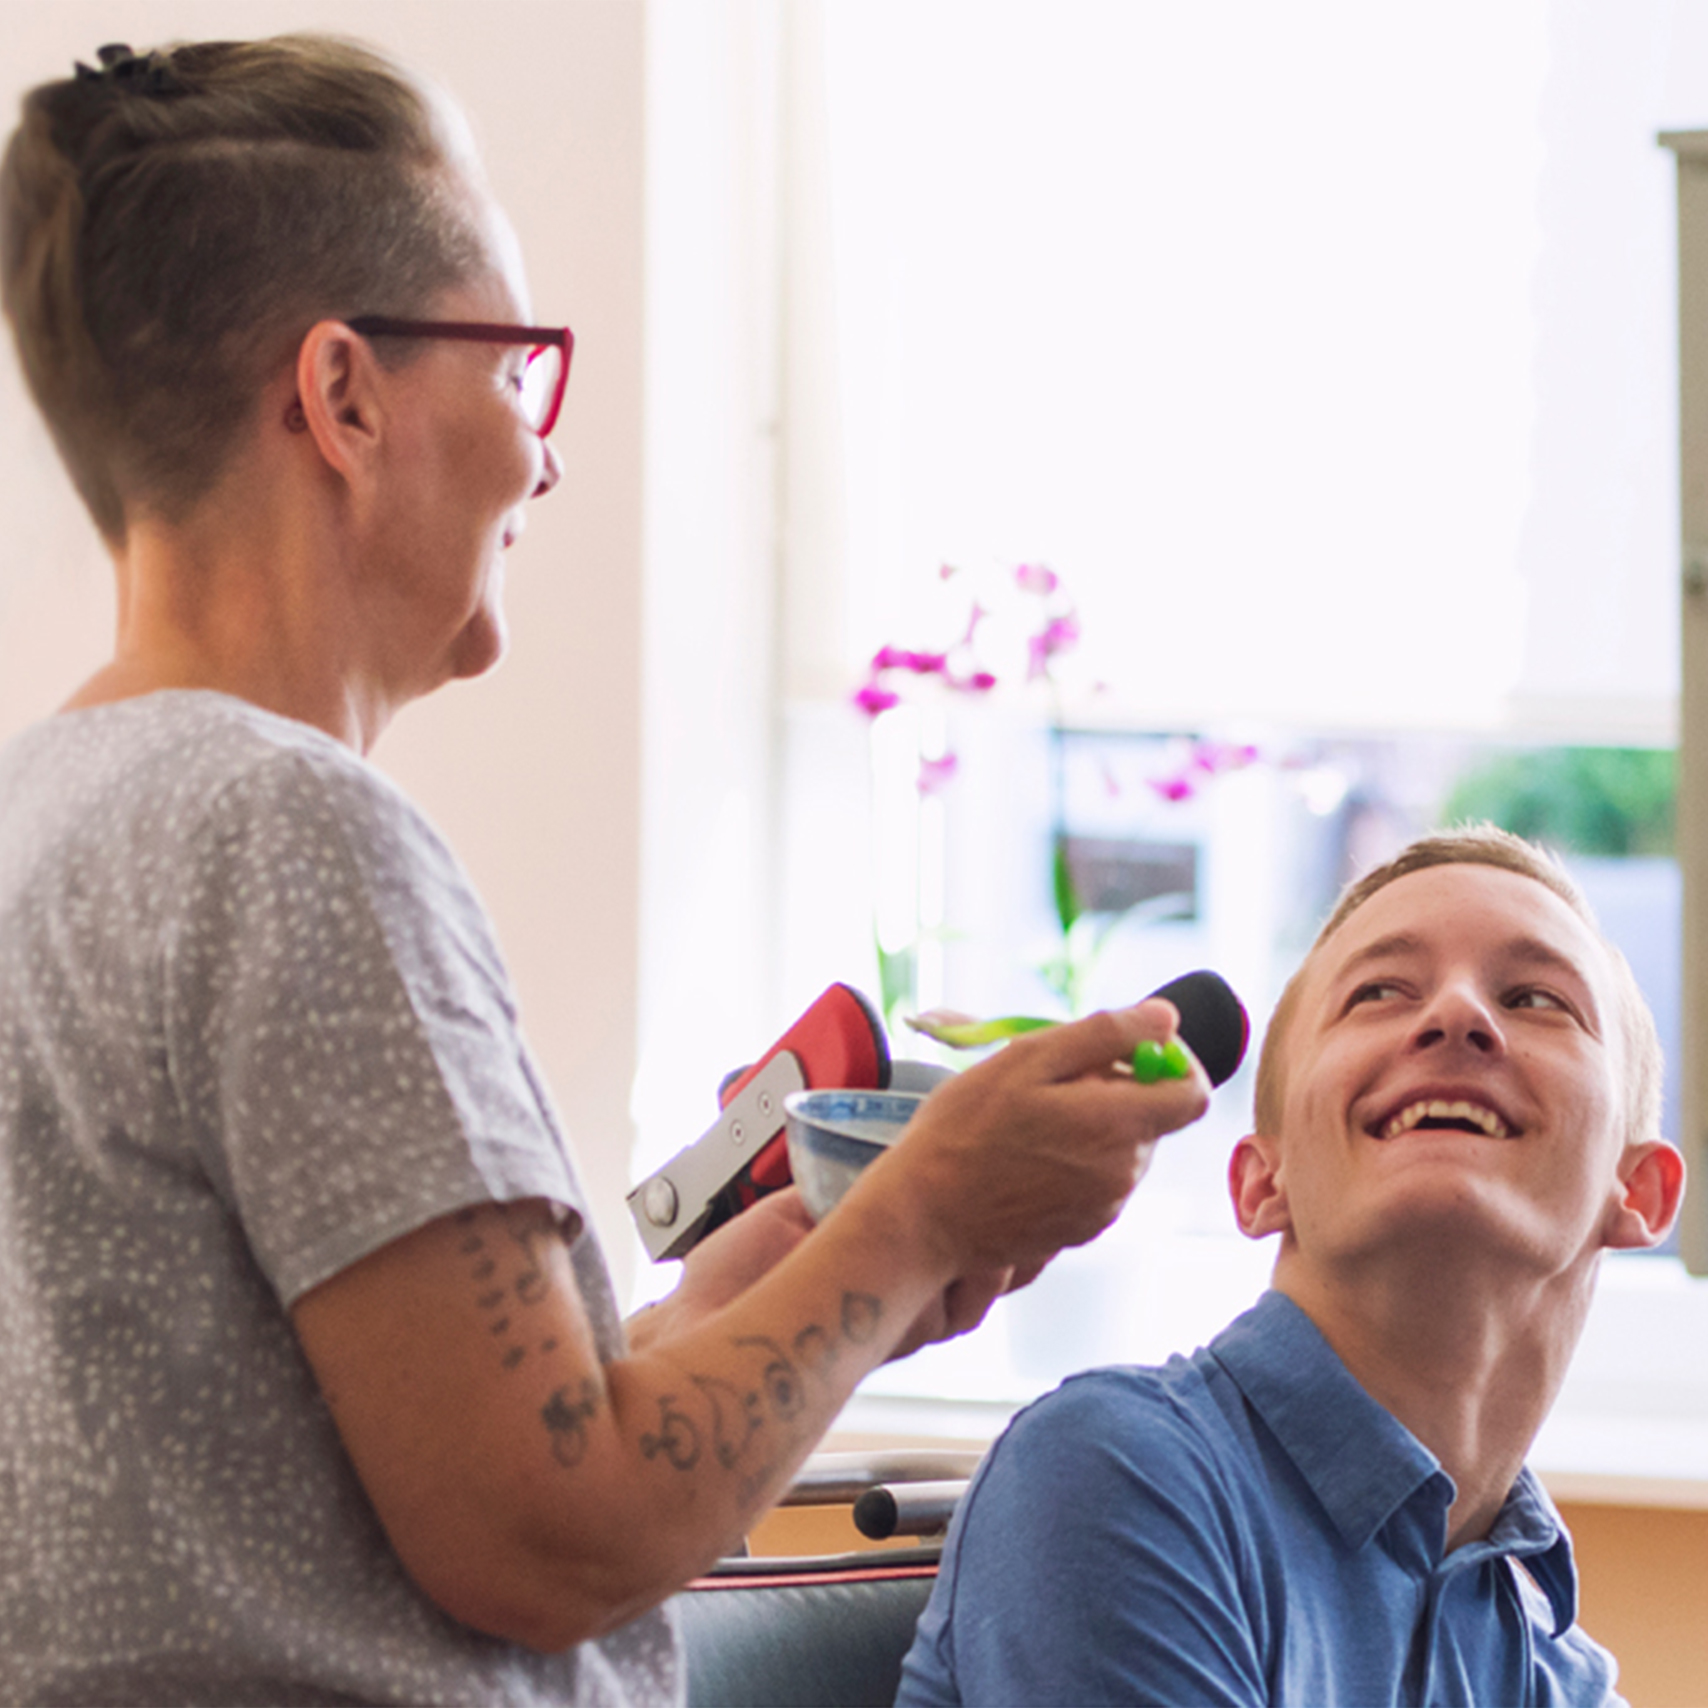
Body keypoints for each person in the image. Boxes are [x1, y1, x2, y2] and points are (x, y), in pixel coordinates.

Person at [0, 35, 1212, 1707]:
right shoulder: (293, 838)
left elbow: (444, 1446)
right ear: (344, 395)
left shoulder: (48, 814)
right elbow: (548, 1531)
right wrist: (926, 1200)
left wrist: (822, 1274)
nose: (541, 456)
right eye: (517, 370)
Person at [898, 825, 1687, 1707]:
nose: (1457, 1015)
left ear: (1641, 1192)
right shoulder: (1117, 1474)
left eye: (1537, 998)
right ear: (1262, 1182)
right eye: (1379, 991)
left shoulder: (1556, 1672)